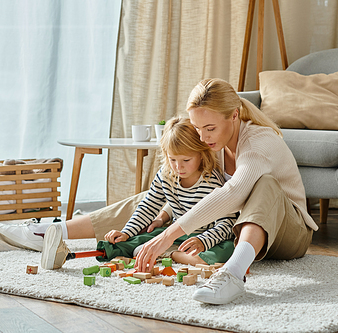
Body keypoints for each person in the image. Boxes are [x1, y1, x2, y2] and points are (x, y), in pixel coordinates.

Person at [132, 78, 318, 305]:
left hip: (289, 235)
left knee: (265, 183)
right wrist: (163, 214)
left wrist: (167, 236)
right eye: (198, 128)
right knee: (161, 189)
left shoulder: (259, 143)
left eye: (210, 128)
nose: (202, 137)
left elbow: (234, 193)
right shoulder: (213, 145)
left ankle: (232, 274)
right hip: (241, 234)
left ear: (234, 115)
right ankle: (74, 229)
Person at [40, 116, 238, 270]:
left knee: (226, 251)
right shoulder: (166, 175)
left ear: (201, 155)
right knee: (128, 243)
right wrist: (126, 232)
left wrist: (203, 241)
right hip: (174, 235)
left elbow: (227, 223)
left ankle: (175, 255)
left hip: (208, 237)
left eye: (186, 160)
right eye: (173, 160)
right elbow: (147, 206)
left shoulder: (211, 182)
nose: (178, 167)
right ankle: (64, 255)